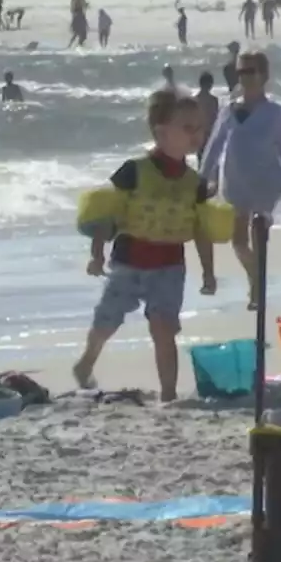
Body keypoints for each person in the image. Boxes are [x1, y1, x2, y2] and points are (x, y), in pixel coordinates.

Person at [73, 91, 216, 402]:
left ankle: (168, 394)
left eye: (200, 128)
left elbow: (200, 230)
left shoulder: (196, 183)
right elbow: (106, 213)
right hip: (129, 262)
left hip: (169, 267)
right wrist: (97, 254)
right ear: (161, 132)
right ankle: (86, 361)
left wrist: (208, 271)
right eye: (188, 127)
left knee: (164, 330)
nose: (196, 134)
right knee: (106, 321)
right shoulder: (133, 170)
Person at [199, 51, 281, 311]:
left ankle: (257, 289)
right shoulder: (229, 109)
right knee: (239, 241)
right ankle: (256, 279)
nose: (245, 77)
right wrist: (203, 176)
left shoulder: (276, 113)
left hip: (266, 181)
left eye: (251, 71)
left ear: (263, 76)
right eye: (241, 72)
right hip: (236, 181)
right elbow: (214, 145)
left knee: (258, 233)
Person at [196, 72, 219, 168]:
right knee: (210, 162)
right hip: (210, 134)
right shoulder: (213, 100)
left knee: (201, 161)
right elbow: (215, 118)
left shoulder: (195, 99)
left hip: (199, 134)